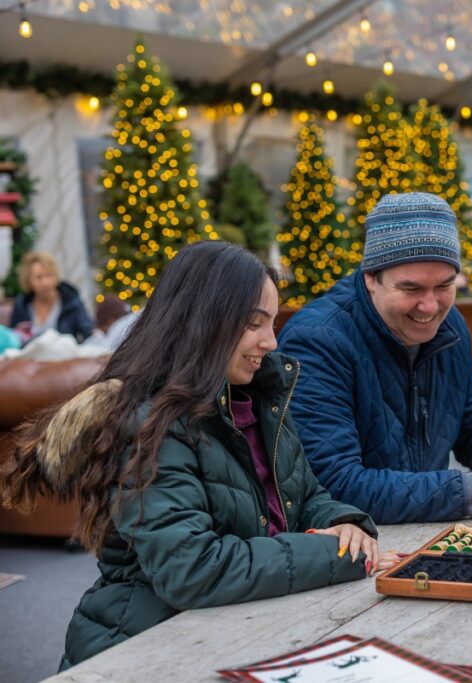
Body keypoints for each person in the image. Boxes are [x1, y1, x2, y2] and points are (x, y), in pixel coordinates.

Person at [0, 241, 383, 670]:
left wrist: (343, 523)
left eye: (272, 323)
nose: (271, 342)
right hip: (144, 651)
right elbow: (192, 569)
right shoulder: (150, 424)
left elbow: (306, 495)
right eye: (254, 324)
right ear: (204, 322)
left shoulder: (259, 401)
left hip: (244, 632)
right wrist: (333, 555)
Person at [278, 193, 472, 524]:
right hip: (352, 551)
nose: (430, 306)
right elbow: (335, 484)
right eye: (411, 289)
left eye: (444, 285)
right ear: (370, 278)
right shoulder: (317, 341)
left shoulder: (450, 326)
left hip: (422, 535)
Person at [9, 251, 94, 343]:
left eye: (49, 275)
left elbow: (89, 333)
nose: (45, 282)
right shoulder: (22, 305)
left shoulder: (71, 301)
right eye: (39, 277)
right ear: (29, 280)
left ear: (56, 276)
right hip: (31, 356)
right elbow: (14, 340)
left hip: (66, 355)